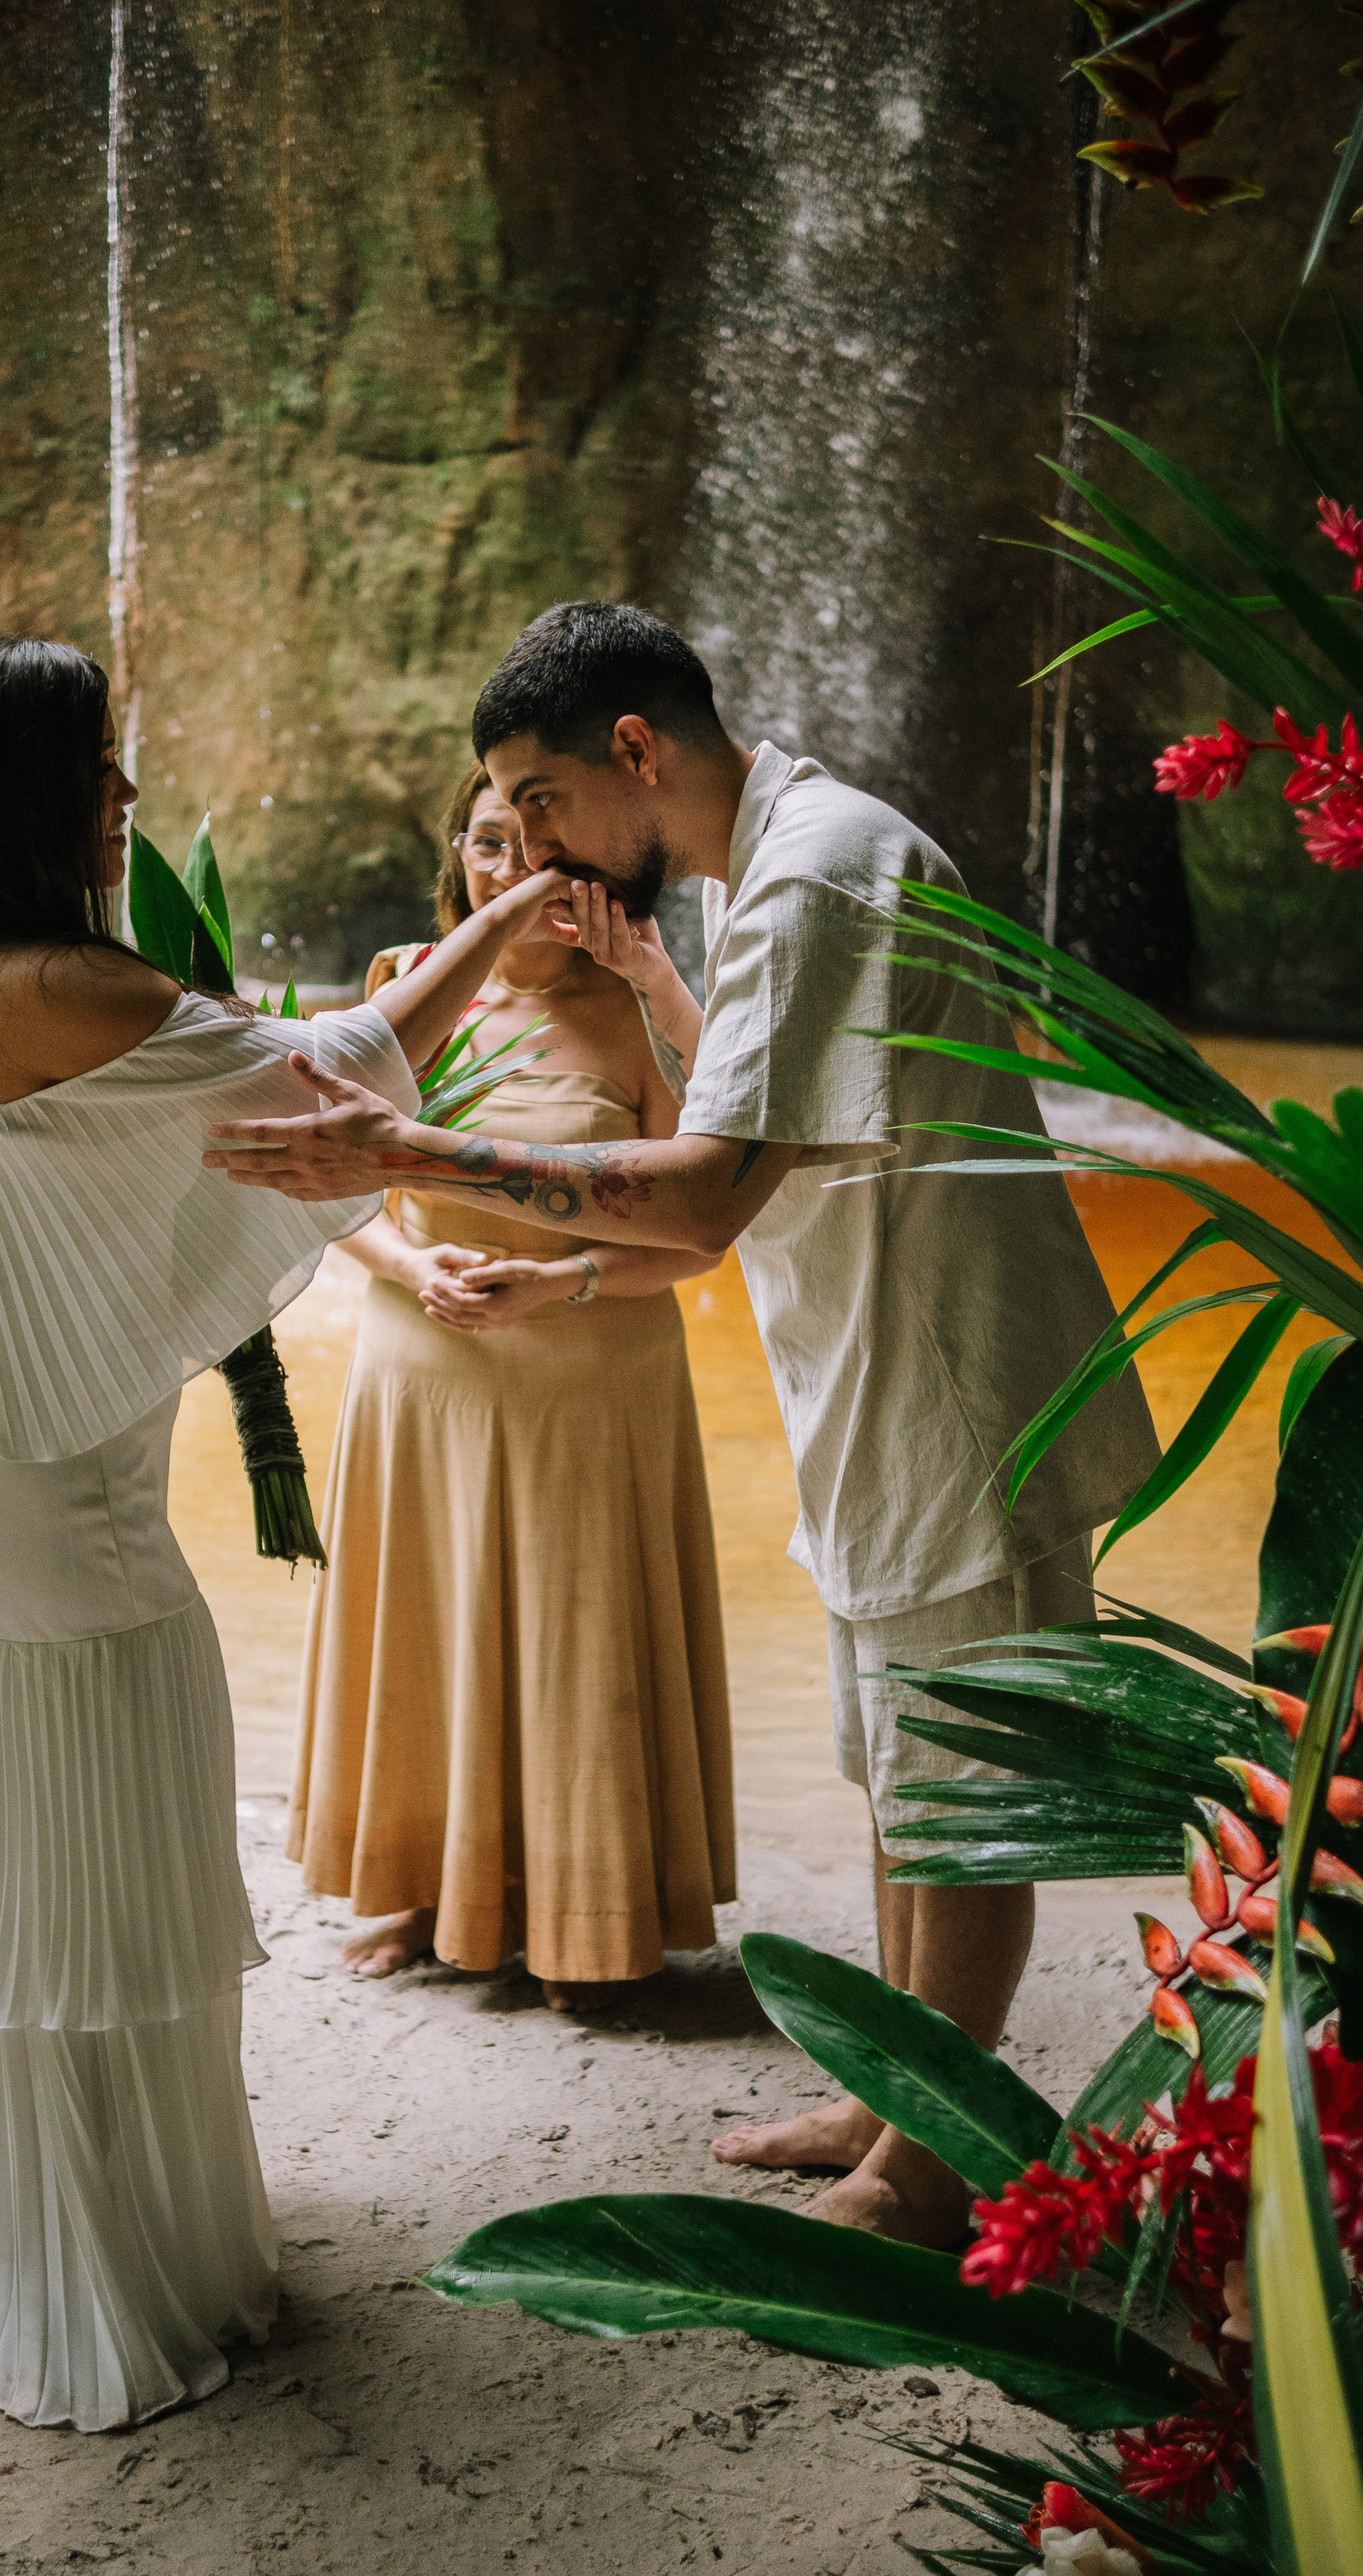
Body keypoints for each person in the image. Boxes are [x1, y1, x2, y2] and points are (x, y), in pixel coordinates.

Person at [202, 601, 1159, 2250]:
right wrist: (463, 1217)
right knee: (895, 1777)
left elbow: (704, 1192)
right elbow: (709, 1221)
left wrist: (409, 1156)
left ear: (631, 753)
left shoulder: (814, 874)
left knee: (957, 1793)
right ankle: (886, 2095)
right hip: (876, 1381)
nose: (526, 850)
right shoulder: (768, 874)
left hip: (949, 1382)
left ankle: (922, 2176)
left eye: (540, 800)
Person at [0, 633, 574, 2431]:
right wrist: (509, 927)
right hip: (56, 1496)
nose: (125, 792)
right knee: (104, 1860)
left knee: (3, 1843)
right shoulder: (57, 976)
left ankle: (5, 2221)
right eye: (99, 763)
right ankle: (100, 2265)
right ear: (30, 793)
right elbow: (331, 1078)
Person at [289, 760, 735, 2012]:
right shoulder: (400, 988)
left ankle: (589, 1918)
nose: (515, 872)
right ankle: (426, 1890)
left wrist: (563, 1283)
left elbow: (709, 1232)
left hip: (594, 1374)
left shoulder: (645, 1007)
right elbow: (328, 1182)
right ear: (459, 857)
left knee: (580, 1636)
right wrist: (402, 1256)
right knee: (432, 1629)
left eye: (538, 852)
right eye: (487, 847)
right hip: (422, 1370)